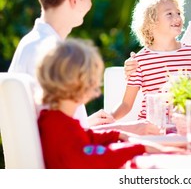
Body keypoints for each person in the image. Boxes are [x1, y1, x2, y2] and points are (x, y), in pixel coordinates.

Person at [8, 0, 157, 134]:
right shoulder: (54, 54)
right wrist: (128, 130)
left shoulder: (30, 44)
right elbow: (63, 141)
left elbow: (52, 129)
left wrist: (84, 123)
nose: (90, 5)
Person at [36, 38, 177, 169]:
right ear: (78, 83)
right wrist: (138, 148)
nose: (96, 91)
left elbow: (84, 139)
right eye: (93, 83)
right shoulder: (59, 126)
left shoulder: (55, 119)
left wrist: (117, 135)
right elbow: (91, 159)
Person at [112, 0, 191, 120]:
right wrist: (109, 118)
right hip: (151, 127)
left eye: (178, 13)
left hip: (185, 125)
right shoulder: (139, 61)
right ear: (151, 22)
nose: (177, 18)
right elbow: (126, 104)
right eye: (169, 14)